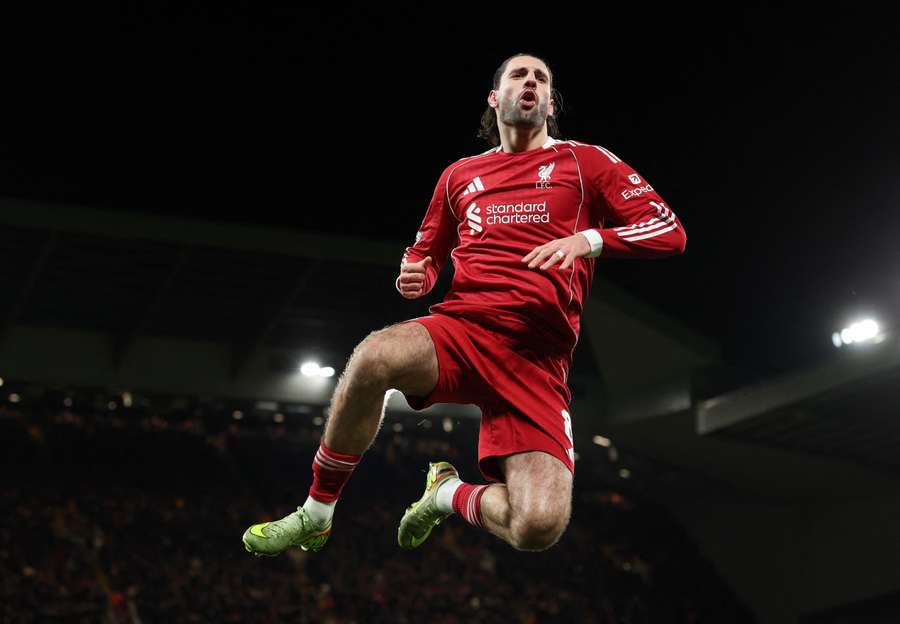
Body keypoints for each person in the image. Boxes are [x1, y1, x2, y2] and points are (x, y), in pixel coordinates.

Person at [242, 53, 686, 556]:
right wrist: (418, 274)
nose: (532, 82)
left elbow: (669, 231)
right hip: (465, 332)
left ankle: (447, 494)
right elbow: (425, 253)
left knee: (537, 527)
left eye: (542, 78)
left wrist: (588, 239)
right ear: (495, 98)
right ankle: (316, 513)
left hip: (537, 364)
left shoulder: (586, 163)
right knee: (374, 356)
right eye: (520, 75)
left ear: (550, 103)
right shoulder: (459, 176)